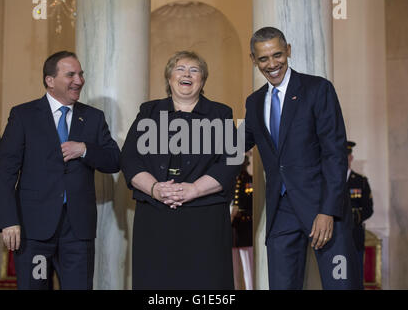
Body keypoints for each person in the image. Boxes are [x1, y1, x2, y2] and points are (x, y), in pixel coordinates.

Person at [244, 27, 361, 289]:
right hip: (281, 212)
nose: (272, 64)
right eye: (263, 59)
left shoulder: (318, 89)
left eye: (277, 54)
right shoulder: (254, 102)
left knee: (341, 285)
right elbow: (231, 145)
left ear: (288, 50)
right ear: (253, 59)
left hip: (323, 207)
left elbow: (334, 153)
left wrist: (327, 211)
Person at [0, 51, 121, 290]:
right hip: (34, 232)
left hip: (77, 232)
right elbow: (5, 173)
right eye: (71, 74)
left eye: (81, 74)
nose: (79, 80)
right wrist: (8, 220)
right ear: (50, 80)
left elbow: (114, 160)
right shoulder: (23, 116)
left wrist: (84, 149)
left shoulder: (93, 118)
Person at [122, 50, 240, 289]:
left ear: (203, 80)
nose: (187, 74)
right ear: (169, 78)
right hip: (155, 217)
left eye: (194, 70)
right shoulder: (149, 112)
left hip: (205, 218)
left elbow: (232, 161)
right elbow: (130, 158)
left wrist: (194, 189)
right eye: (180, 69)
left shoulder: (221, 113)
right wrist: (155, 189)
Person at [346, 141, 374, 289]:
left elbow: (369, 209)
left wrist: (355, 216)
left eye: (347, 155)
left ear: (351, 157)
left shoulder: (361, 181)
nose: (345, 159)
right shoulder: (332, 181)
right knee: (339, 278)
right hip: (336, 237)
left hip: (355, 236)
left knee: (356, 278)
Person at [231, 150, 254, 290]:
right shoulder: (233, 181)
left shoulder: (247, 180)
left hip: (244, 229)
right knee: (234, 270)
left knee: (248, 269)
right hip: (234, 231)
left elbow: (243, 204)